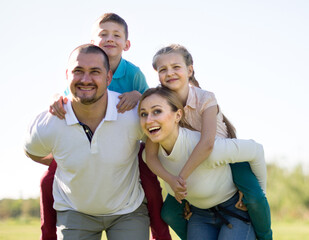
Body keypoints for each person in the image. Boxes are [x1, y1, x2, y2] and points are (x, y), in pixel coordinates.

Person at [43, 13, 171, 240]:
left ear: (127, 44)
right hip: (83, 142)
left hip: (127, 146)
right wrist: (55, 97)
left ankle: (161, 235)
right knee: (47, 181)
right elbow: (66, 98)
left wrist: (136, 95)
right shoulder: (83, 72)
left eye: (116, 35)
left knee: (149, 182)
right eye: (103, 34)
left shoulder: (132, 73)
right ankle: (48, 235)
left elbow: (151, 102)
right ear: (93, 42)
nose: (110, 39)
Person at [144, 44, 272, 240]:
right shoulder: (160, 103)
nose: (169, 73)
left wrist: (182, 178)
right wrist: (172, 181)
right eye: (163, 70)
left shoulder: (205, 98)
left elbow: (207, 144)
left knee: (253, 198)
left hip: (226, 157)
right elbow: (150, 155)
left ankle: (265, 236)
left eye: (176, 67)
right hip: (194, 165)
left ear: (190, 70)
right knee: (169, 212)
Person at [24, 44, 150, 240]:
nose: (85, 79)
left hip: (128, 211)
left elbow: (161, 142)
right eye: (78, 71)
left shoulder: (133, 115)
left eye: (95, 72)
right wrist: (64, 161)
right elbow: (31, 150)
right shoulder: (49, 122)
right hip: (74, 211)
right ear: (67, 75)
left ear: (108, 77)